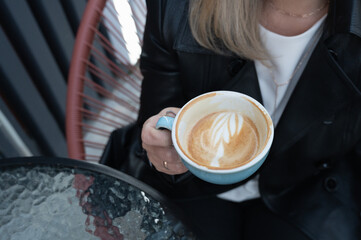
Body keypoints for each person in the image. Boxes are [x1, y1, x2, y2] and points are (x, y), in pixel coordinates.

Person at [100, 0, 361, 239]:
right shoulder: (178, 6)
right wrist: (163, 142)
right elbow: (158, 110)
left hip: (306, 188)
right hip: (194, 184)